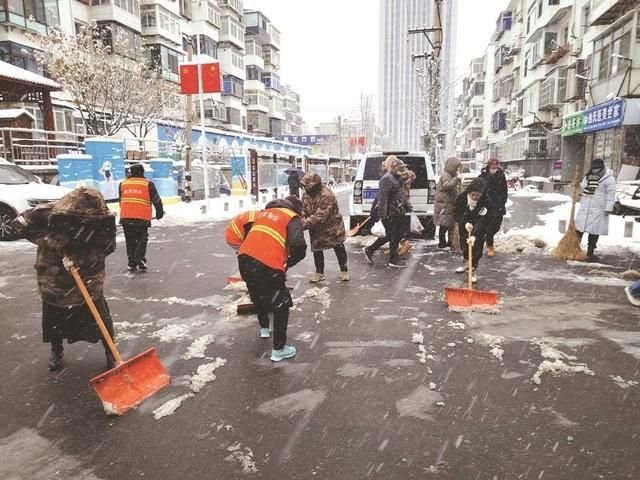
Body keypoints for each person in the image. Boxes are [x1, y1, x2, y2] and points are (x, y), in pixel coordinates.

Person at [10, 187, 117, 372]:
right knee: (55, 318)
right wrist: (52, 240)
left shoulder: (103, 221)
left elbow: (107, 246)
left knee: (99, 317)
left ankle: (111, 352)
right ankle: (56, 350)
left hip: (87, 276)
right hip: (54, 277)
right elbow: (19, 224)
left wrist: (80, 258)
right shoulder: (48, 213)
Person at [237, 196, 307, 362]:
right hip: (266, 263)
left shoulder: (264, 214)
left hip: (245, 259)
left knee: (260, 296)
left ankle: (264, 329)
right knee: (281, 304)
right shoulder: (291, 217)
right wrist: (290, 261)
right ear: (297, 209)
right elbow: (299, 245)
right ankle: (279, 349)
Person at [300, 172, 349, 282]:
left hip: (333, 227)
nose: (305, 189)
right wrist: (301, 217)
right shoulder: (306, 194)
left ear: (314, 186)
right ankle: (319, 272)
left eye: (307, 186)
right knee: (317, 248)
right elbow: (304, 208)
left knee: (338, 246)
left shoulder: (326, 194)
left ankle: (344, 270)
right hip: (316, 229)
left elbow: (319, 216)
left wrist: (300, 226)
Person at [363, 155, 410, 268]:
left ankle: (370, 250)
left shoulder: (396, 179)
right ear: (393, 167)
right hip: (390, 213)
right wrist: (383, 215)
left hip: (397, 211)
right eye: (400, 168)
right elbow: (382, 198)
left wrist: (407, 206)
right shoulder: (387, 179)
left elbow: (400, 196)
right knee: (394, 237)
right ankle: (393, 261)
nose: (402, 170)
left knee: (391, 236)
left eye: (403, 168)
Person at [119, 163, 164, 272]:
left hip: (126, 217)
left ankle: (131, 263)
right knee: (142, 239)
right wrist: (159, 212)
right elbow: (156, 200)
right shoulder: (148, 184)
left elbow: (121, 200)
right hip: (141, 217)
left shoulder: (122, 184)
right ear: (142, 172)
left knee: (130, 241)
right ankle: (140, 258)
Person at [453, 177, 493, 283]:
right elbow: (456, 212)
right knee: (465, 246)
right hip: (464, 225)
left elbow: (485, 219)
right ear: (469, 192)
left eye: (477, 195)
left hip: (478, 227)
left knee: (477, 248)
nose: (475, 197)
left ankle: (473, 269)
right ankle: (467, 262)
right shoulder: (461, 198)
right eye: (473, 195)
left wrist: (475, 234)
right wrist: (464, 223)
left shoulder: (486, 201)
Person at [575, 158, 616, 258]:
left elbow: (611, 194)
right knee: (579, 229)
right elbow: (582, 189)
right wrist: (577, 186)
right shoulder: (588, 177)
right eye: (593, 168)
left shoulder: (609, 178)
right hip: (586, 205)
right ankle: (575, 247)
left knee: (594, 230)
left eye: (597, 168)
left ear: (601, 167)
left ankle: (591, 249)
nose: (595, 170)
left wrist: (608, 208)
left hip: (599, 207)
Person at [479, 158, 508, 257]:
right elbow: (478, 188)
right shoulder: (483, 175)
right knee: (488, 228)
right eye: (492, 165)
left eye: (496, 165)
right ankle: (490, 247)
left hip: (498, 205)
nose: (494, 167)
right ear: (488, 166)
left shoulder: (501, 175)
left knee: (496, 226)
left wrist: (503, 202)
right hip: (487, 205)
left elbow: (505, 190)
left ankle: (488, 239)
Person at [434, 157, 462, 249]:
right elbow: (447, 186)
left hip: (447, 204)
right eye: (457, 167)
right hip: (444, 204)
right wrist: (456, 179)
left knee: (448, 224)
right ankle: (442, 243)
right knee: (444, 225)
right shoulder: (445, 175)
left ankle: (449, 242)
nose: (458, 169)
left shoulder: (449, 175)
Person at [396, 162, 417, 255]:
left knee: (398, 225)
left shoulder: (402, 176)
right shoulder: (408, 175)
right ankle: (396, 247)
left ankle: (404, 244)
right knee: (399, 224)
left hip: (401, 202)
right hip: (403, 201)